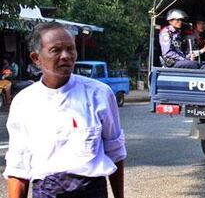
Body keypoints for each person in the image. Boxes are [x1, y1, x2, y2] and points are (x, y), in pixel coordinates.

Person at [3, 22, 127, 198]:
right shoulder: (24, 103)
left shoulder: (99, 94)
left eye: (71, 49)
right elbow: (18, 166)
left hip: (92, 192)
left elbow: (115, 152)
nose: (66, 56)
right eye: (56, 50)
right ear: (36, 58)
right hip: (47, 192)